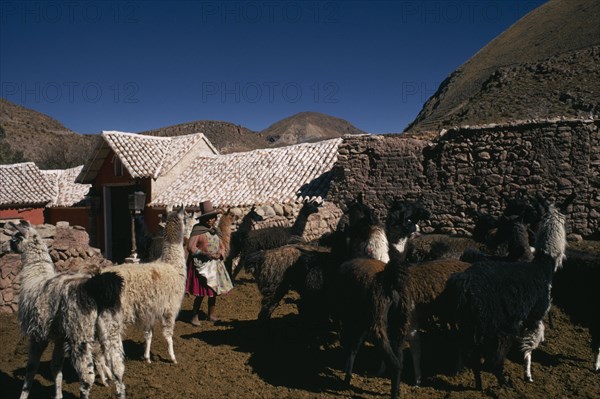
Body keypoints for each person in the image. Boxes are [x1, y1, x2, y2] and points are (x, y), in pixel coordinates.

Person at [186, 200, 233, 326]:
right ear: (203, 219)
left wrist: (221, 254)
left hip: (215, 265)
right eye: (207, 218)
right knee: (201, 293)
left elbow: (222, 246)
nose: (210, 220)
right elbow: (191, 247)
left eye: (212, 218)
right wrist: (204, 254)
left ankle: (211, 314)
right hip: (202, 266)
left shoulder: (215, 231)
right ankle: (194, 316)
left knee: (213, 292)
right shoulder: (198, 230)